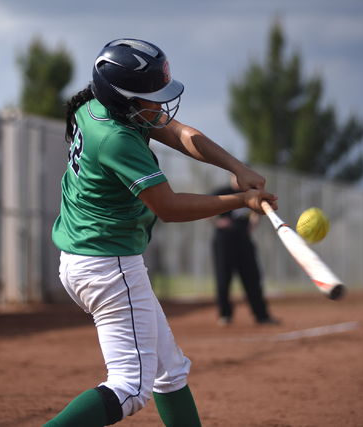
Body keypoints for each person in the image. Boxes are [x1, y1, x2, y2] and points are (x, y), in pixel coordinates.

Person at [48, 39, 278, 427]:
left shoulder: (98, 110)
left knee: (169, 369)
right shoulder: (117, 139)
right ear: (125, 100)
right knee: (129, 388)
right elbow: (168, 207)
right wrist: (240, 201)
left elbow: (179, 133)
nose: (160, 105)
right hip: (109, 267)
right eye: (150, 97)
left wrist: (236, 167)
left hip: (87, 258)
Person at [210, 174, 279, 327]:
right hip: (224, 241)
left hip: (244, 241)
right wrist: (216, 222)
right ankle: (225, 315)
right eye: (235, 176)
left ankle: (262, 315)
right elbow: (204, 207)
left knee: (253, 278)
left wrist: (252, 225)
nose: (238, 179)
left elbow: (259, 211)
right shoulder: (222, 192)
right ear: (230, 176)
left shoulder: (250, 195)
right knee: (223, 279)